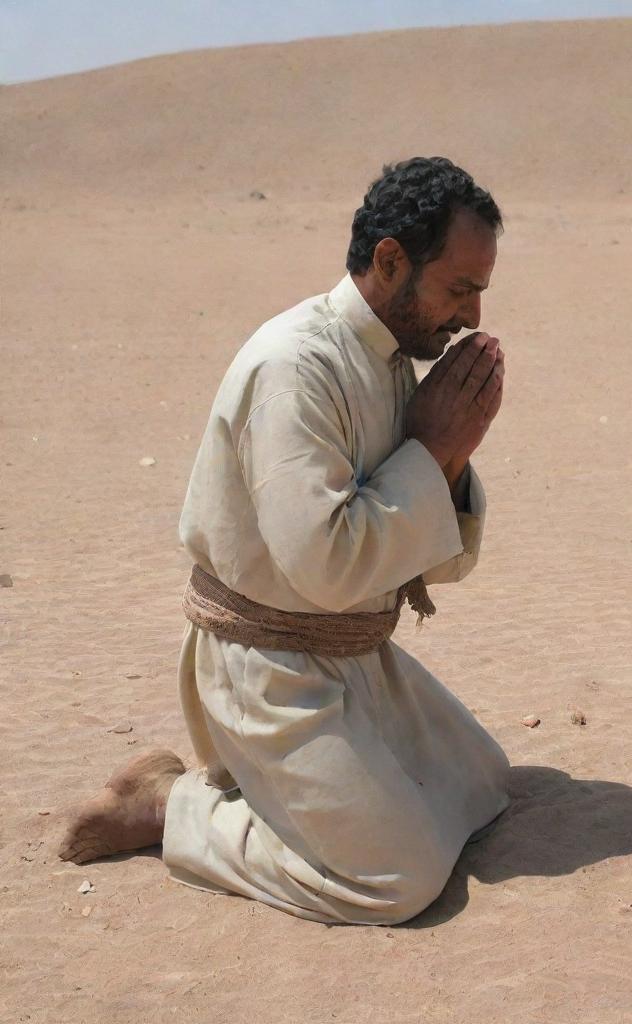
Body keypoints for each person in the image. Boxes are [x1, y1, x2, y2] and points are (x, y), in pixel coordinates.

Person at [58, 157, 511, 925]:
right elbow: (326, 568)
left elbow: (428, 556)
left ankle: (296, 795)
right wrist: (432, 453)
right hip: (270, 667)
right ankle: (171, 807)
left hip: (353, 654)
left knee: (483, 785)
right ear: (390, 260)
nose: (468, 316)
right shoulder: (295, 366)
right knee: (395, 880)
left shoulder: (393, 361)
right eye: (458, 288)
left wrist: (454, 454)